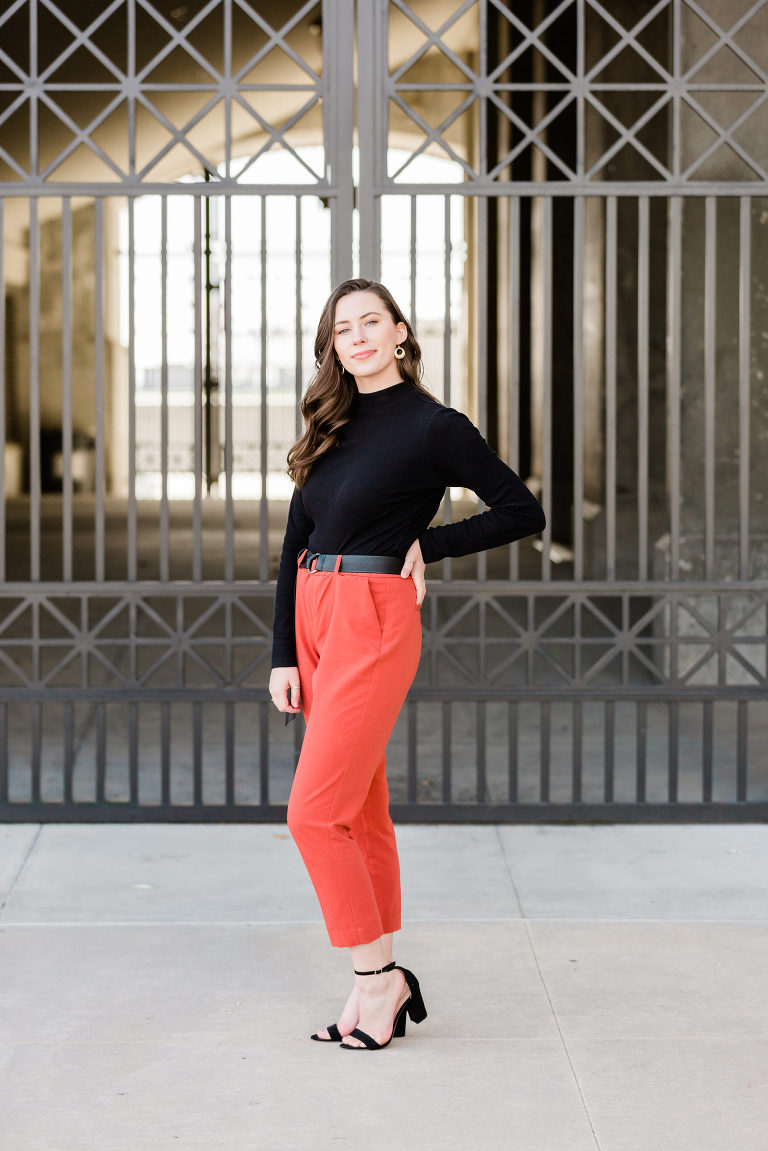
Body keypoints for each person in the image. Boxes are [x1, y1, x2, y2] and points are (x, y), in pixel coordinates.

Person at [269, 278, 545, 1051]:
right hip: (316, 613)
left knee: (313, 812)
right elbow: (296, 542)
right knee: (358, 808)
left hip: (374, 616)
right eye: (341, 328)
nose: (355, 337)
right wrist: (283, 651)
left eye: (370, 322)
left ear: (398, 333)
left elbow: (522, 509)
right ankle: (378, 982)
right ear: (333, 345)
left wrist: (433, 542)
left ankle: (376, 979)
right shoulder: (332, 420)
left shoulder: (435, 426)